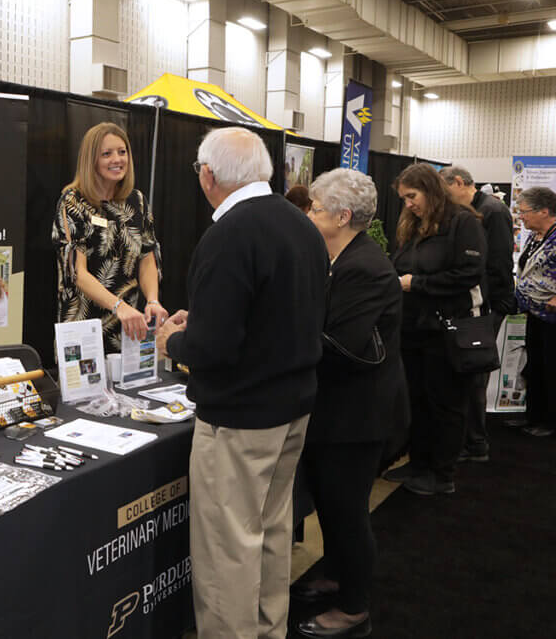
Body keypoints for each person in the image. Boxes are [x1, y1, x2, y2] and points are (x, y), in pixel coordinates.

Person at [155, 127, 327, 639]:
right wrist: (203, 322)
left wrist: (172, 342)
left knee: (228, 549)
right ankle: (268, 630)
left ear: (208, 175)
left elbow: (213, 351)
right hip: (292, 409)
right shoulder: (299, 225)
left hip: (241, 420)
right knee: (272, 534)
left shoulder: (228, 234)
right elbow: (281, 314)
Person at [292, 169, 403, 639]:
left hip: (355, 417)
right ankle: (337, 575)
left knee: (348, 512)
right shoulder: (342, 258)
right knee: (334, 508)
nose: (308, 215)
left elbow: (340, 344)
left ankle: (354, 608)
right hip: (336, 412)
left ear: (341, 216)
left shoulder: (362, 267)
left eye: (315, 208)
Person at [386, 163, 486, 496]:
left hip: (445, 328)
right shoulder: (412, 225)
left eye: (412, 196)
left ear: (430, 190)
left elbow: (469, 273)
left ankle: (442, 473)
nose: (408, 204)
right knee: (417, 399)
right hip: (413, 328)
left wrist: (420, 284)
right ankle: (419, 462)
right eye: (404, 198)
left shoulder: (463, 222)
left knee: (446, 403)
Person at [53, 122, 167, 351]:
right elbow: (77, 273)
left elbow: (147, 257)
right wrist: (118, 306)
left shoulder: (137, 201)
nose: (117, 159)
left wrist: (153, 300)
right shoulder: (73, 202)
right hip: (84, 326)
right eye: (107, 154)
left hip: (130, 326)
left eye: (122, 152)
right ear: (91, 160)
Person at [440, 165, 515, 462]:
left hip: (487, 306)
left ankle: (475, 442)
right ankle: (467, 439)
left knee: (473, 372)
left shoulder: (492, 211)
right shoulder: (472, 210)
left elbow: (497, 261)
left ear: (459, 183)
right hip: (475, 305)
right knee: (466, 372)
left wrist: (493, 307)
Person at [513, 187, 556, 437]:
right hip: (534, 312)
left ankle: (550, 421)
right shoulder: (535, 235)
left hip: (552, 317)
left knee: (551, 367)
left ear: (544, 211)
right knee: (535, 365)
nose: (521, 217)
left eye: (525, 212)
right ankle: (533, 415)